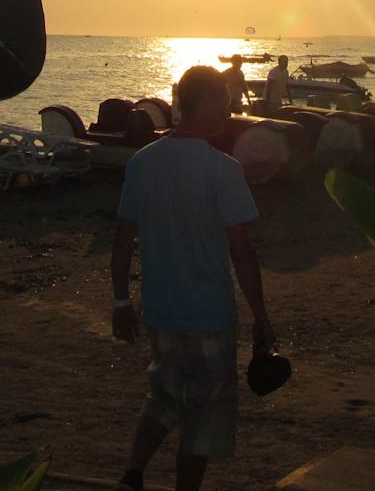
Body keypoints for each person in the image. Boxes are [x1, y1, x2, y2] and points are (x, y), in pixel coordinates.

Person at [111, 65, 276, 491]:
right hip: (208, 316)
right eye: (223, 102)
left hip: (160, 311)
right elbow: (242, 252)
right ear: (203, 102)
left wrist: (121, 301)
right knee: (203, 417)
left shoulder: (143, 162)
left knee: (163, 399)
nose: (228, 110)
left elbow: (122, 238)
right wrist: (260, 316)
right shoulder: (222, 170)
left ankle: (132, 475)